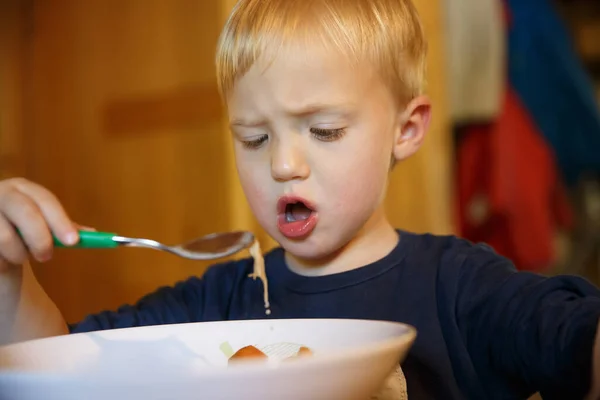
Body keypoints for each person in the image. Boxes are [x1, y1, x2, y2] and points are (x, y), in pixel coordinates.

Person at [0, 0, 599, 398]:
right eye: (253, 138)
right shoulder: (217, 302)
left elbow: (577, 343)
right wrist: (7, 275)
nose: (283, 164)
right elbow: (51, 368)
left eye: (324, 131)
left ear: (406, 128)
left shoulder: (462, 288)